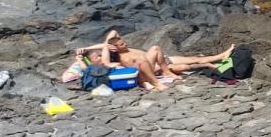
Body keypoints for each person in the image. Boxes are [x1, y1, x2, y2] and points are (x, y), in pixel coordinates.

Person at [76, 29, 233, 90]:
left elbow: (113, 32)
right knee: (189, 64)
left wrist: (102, 44)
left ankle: (221, 56)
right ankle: (207, 64)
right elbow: (106, 58)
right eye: (122, 43)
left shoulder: (123, 48)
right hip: (154, 66)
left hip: (160, 61)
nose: (125, 43)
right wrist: (103, 47)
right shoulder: (119, 57)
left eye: (123, 41)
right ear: (115, 48)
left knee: (195, 59)